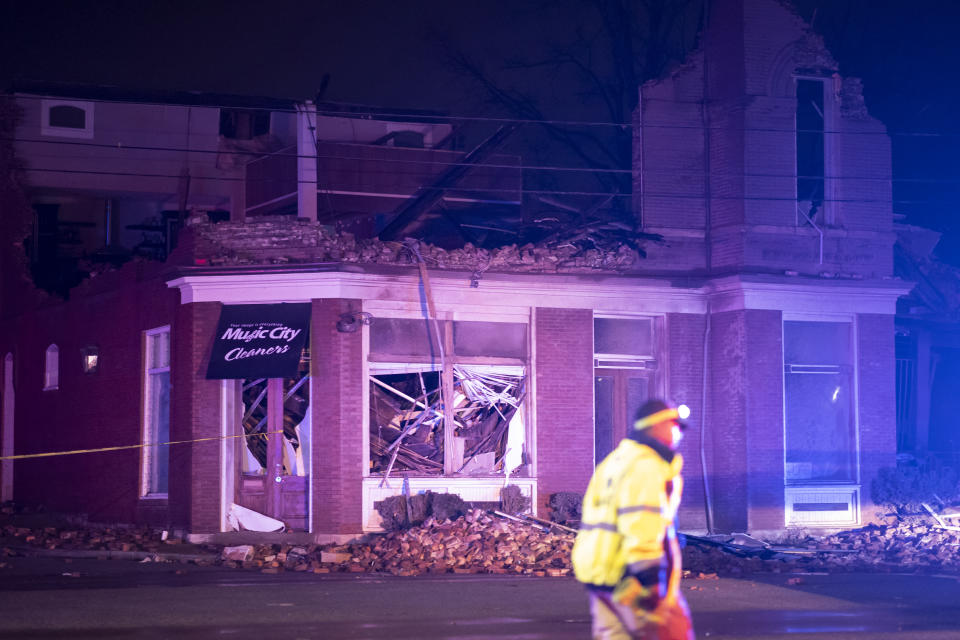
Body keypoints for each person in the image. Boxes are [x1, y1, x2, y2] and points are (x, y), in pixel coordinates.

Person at [572, 399, 695, 640]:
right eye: (674, 425)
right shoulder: (647, 465)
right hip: (633, 579)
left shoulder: (614, 461)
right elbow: (641, 522)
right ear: (656, 425)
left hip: (601, 573)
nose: (678, 432)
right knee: (672, 633)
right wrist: (650, 581)